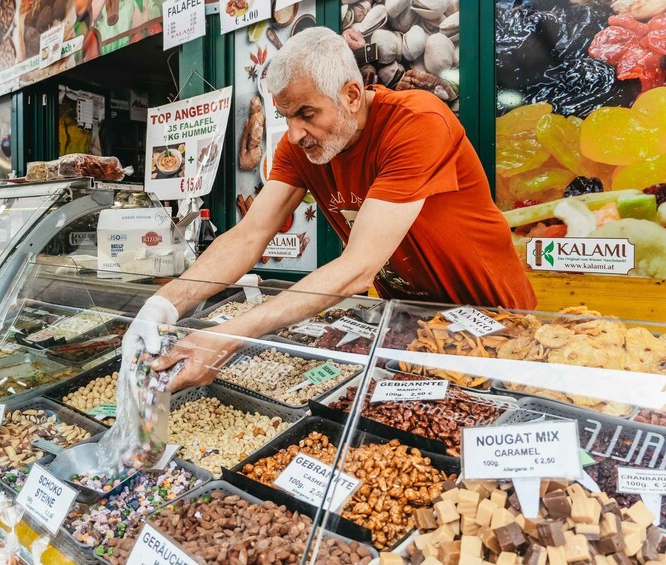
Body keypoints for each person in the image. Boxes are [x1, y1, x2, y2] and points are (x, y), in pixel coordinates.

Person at [125, 26, 535, 390]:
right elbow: (248, 235)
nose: (295, 132)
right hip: (412, 327)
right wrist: (163, 304)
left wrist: (229, 334)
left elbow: (357, 268)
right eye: (287, 116)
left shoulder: (417, 122)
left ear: (351, 95)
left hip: (495, 318)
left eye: (306, 113)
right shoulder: (297, 147)